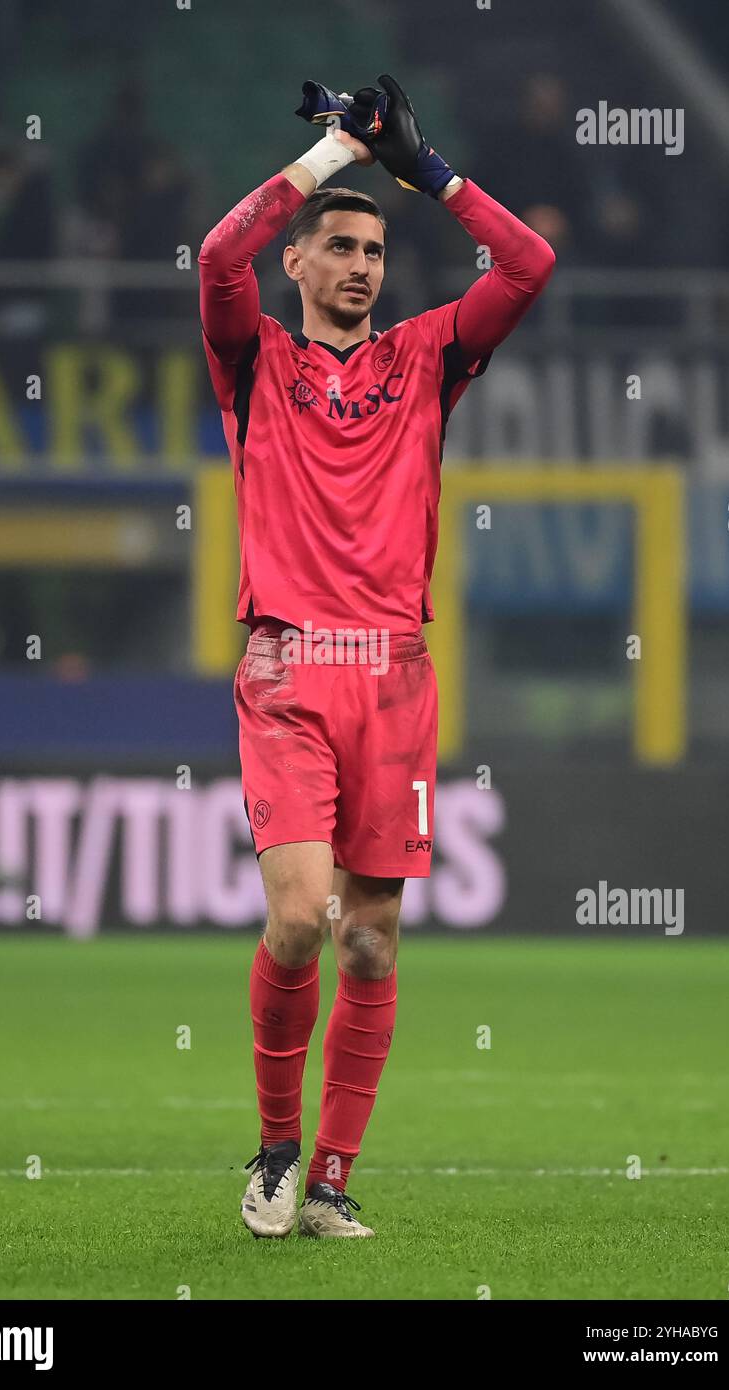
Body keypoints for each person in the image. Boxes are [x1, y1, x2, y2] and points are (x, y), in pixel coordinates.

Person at [197, 76, 555, 1238]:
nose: (359, 264)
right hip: (290, 668)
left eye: (372, 250)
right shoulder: (253, 360)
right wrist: (327, 155)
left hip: (394, 674)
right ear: (295, 264)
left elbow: (526, 266)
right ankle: (274, 1148)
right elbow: (215, 255)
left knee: (368, 934)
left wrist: (425, 171)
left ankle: (335, 1176)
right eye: (336, 247)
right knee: (298, 916)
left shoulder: (425, 358)